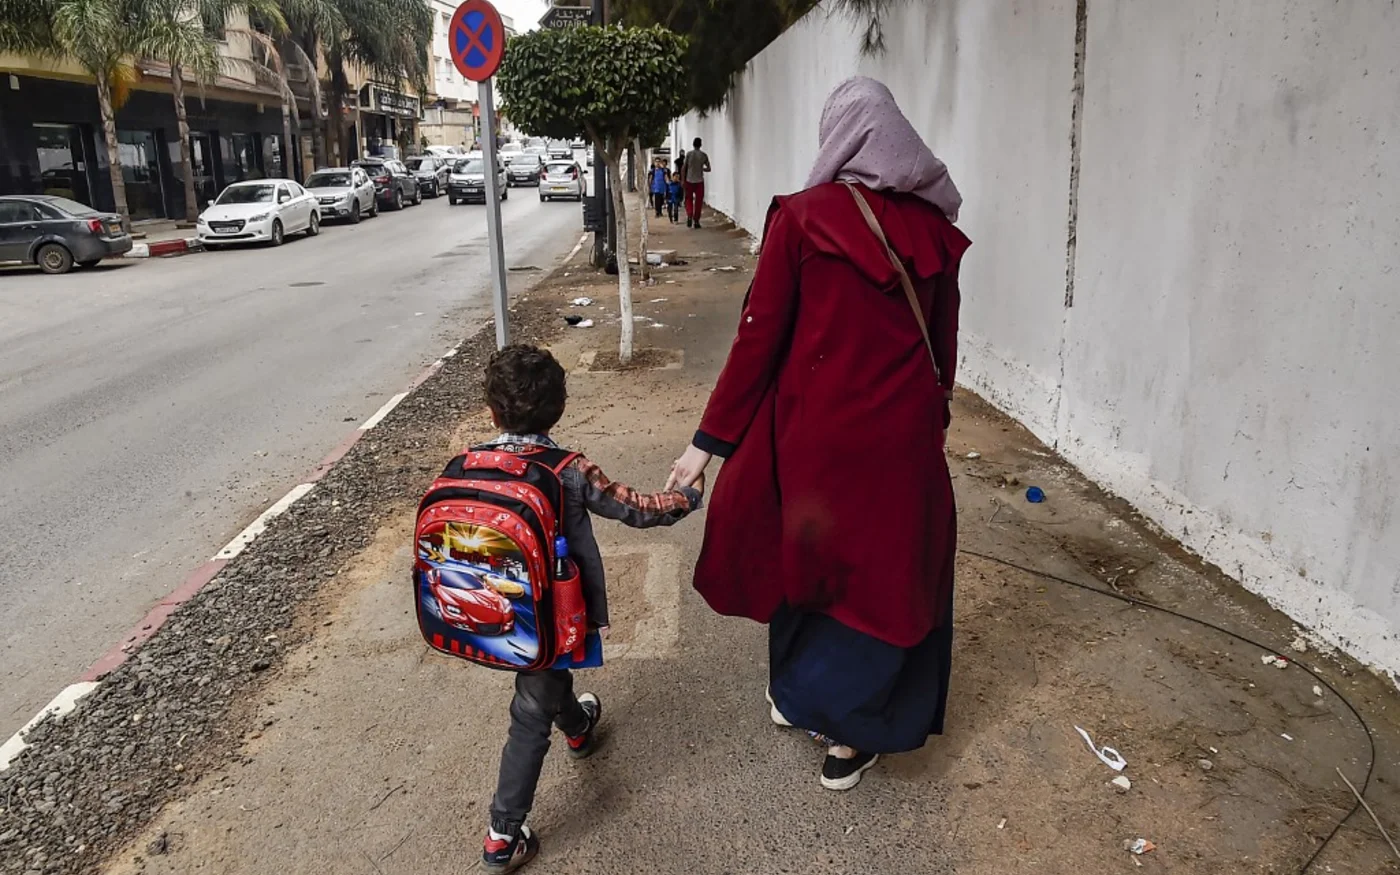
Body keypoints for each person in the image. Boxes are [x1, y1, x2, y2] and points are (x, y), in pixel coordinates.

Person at [665, 76, 970, 791]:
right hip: (900, 444)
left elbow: (757, 341)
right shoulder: (935, 230)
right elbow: (945, 347)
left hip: (814, 444)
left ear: (839, 135)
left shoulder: (802, 219)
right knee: (886, 577)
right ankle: (852, 737)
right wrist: (931, 422)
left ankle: (800, 696)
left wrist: (706, 445)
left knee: (812, 566)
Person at [478, 346, 705, 872]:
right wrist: (687, 496)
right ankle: (502, 835)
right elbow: (636, 509)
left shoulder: (470, 463)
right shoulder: (570, 470)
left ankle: (578, 726)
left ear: (491, 413)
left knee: (545, 682)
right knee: (531, 708)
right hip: (554, 615)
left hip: (488, 611)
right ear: (558, 409)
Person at [682, 136, 711, 228]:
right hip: (699, 181)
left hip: (689, 180)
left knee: (688, 199)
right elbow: (709, 168)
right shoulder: (704, 155)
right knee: (698, 201)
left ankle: (690, 214)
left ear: (693, 144)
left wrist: (683, 180)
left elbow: (684, 168)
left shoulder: (689, 154)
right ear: (700, 145)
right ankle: (696, 221)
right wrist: (701, 168)